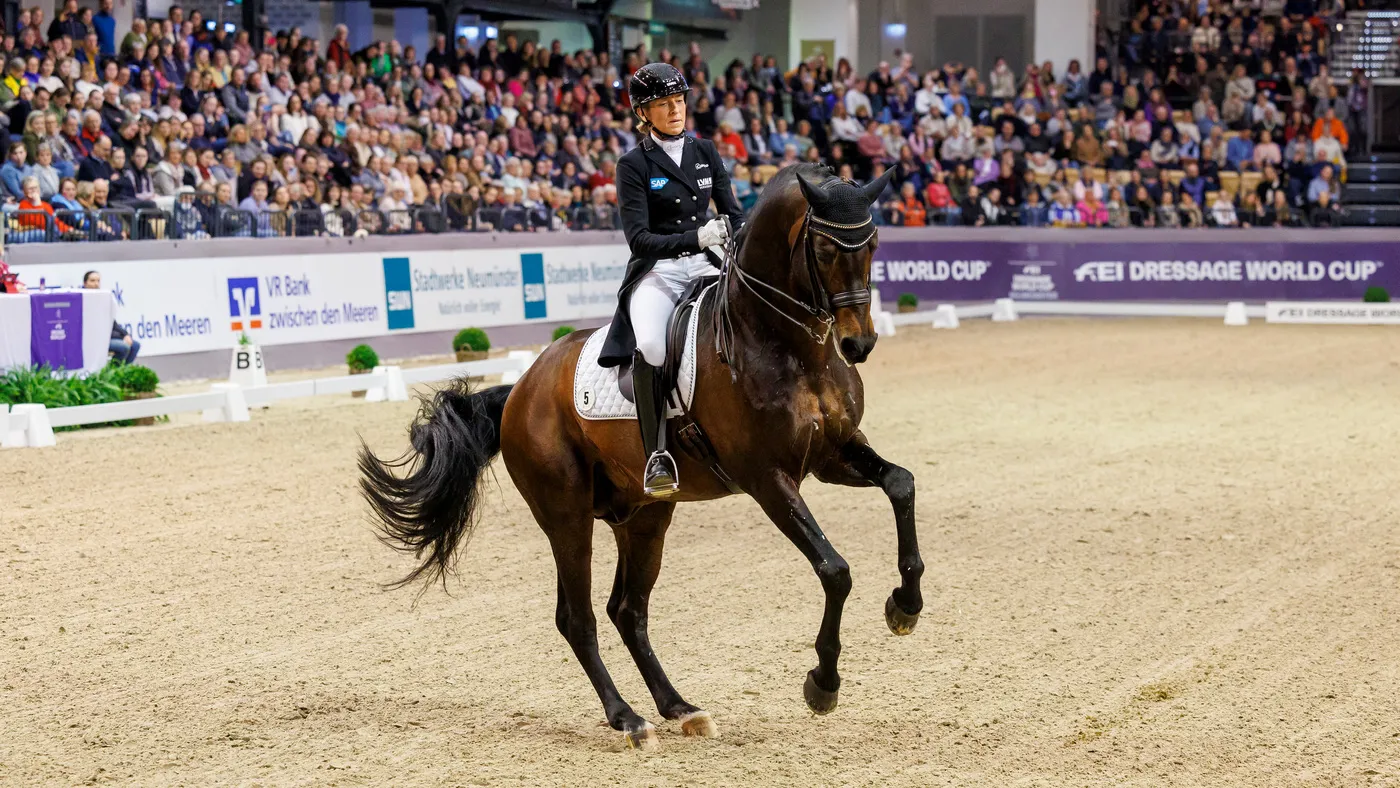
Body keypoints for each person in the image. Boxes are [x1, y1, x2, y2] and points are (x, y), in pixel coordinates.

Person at [600, 62, 743, 497]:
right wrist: (695, 236)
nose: (675, 110)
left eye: (678, 101)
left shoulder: (706, 152)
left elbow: (734, 214)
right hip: (658, 271)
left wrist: (732, 238)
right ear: (644, 113)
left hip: (707, 262)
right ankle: (656, 453)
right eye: (663, 104)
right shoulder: (633, 164)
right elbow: (639, 240)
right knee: (652, 347)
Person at [82, 270, 139, 364]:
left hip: (108, 336)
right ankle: (112, 373)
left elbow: (112, 322)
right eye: (92, 281)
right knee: (123, 347)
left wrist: (125, 334)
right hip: (95, 339)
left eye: (98, 281)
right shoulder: (83, 301)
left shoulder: (102, 299)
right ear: (85, 283)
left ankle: (122, 372)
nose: (96, 284)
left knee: (135, 345)